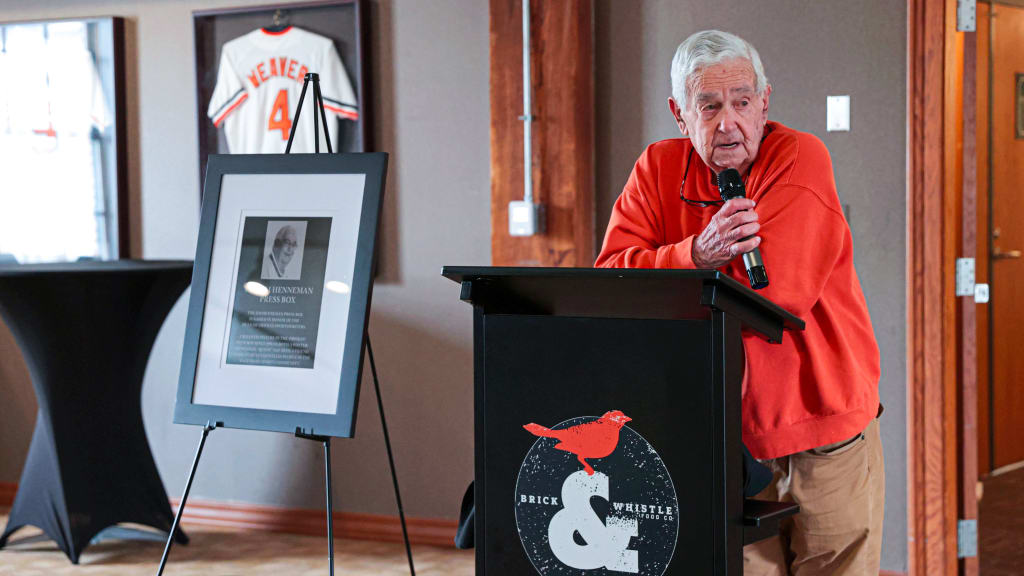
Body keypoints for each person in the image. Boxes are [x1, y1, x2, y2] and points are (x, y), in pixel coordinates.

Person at [595, 30, 883, 575]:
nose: (728, 122)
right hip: (722, 433)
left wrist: (667, 271)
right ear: (681, 115)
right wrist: (696, 254)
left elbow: (778, 295)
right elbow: (611, 281)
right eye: (709, 105)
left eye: (741, 102)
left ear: (764, 102)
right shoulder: (657, 169)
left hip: (822, 426)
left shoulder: (799, 156)